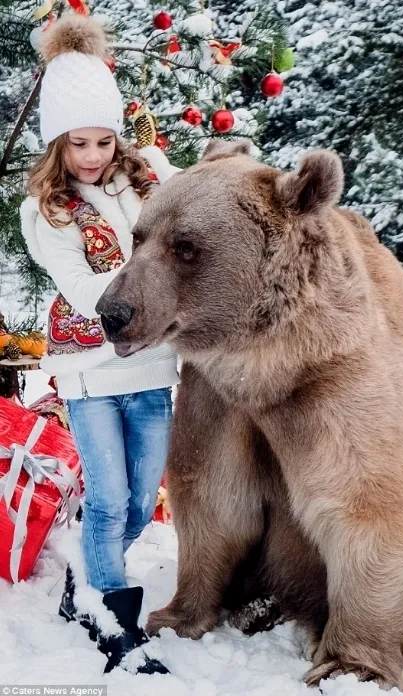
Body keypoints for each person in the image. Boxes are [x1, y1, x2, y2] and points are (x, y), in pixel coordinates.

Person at [20, 13, 179, 676]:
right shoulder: (48, 211)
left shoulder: (152, 181)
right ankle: (112, 615)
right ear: (57, 144)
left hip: (154, 369)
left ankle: (89, 566)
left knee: (141, 501)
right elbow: (89, 293)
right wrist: (162, 273)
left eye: (103, 140)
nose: (92, 155)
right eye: (77, 142)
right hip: (90, 374)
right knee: (111, 497)